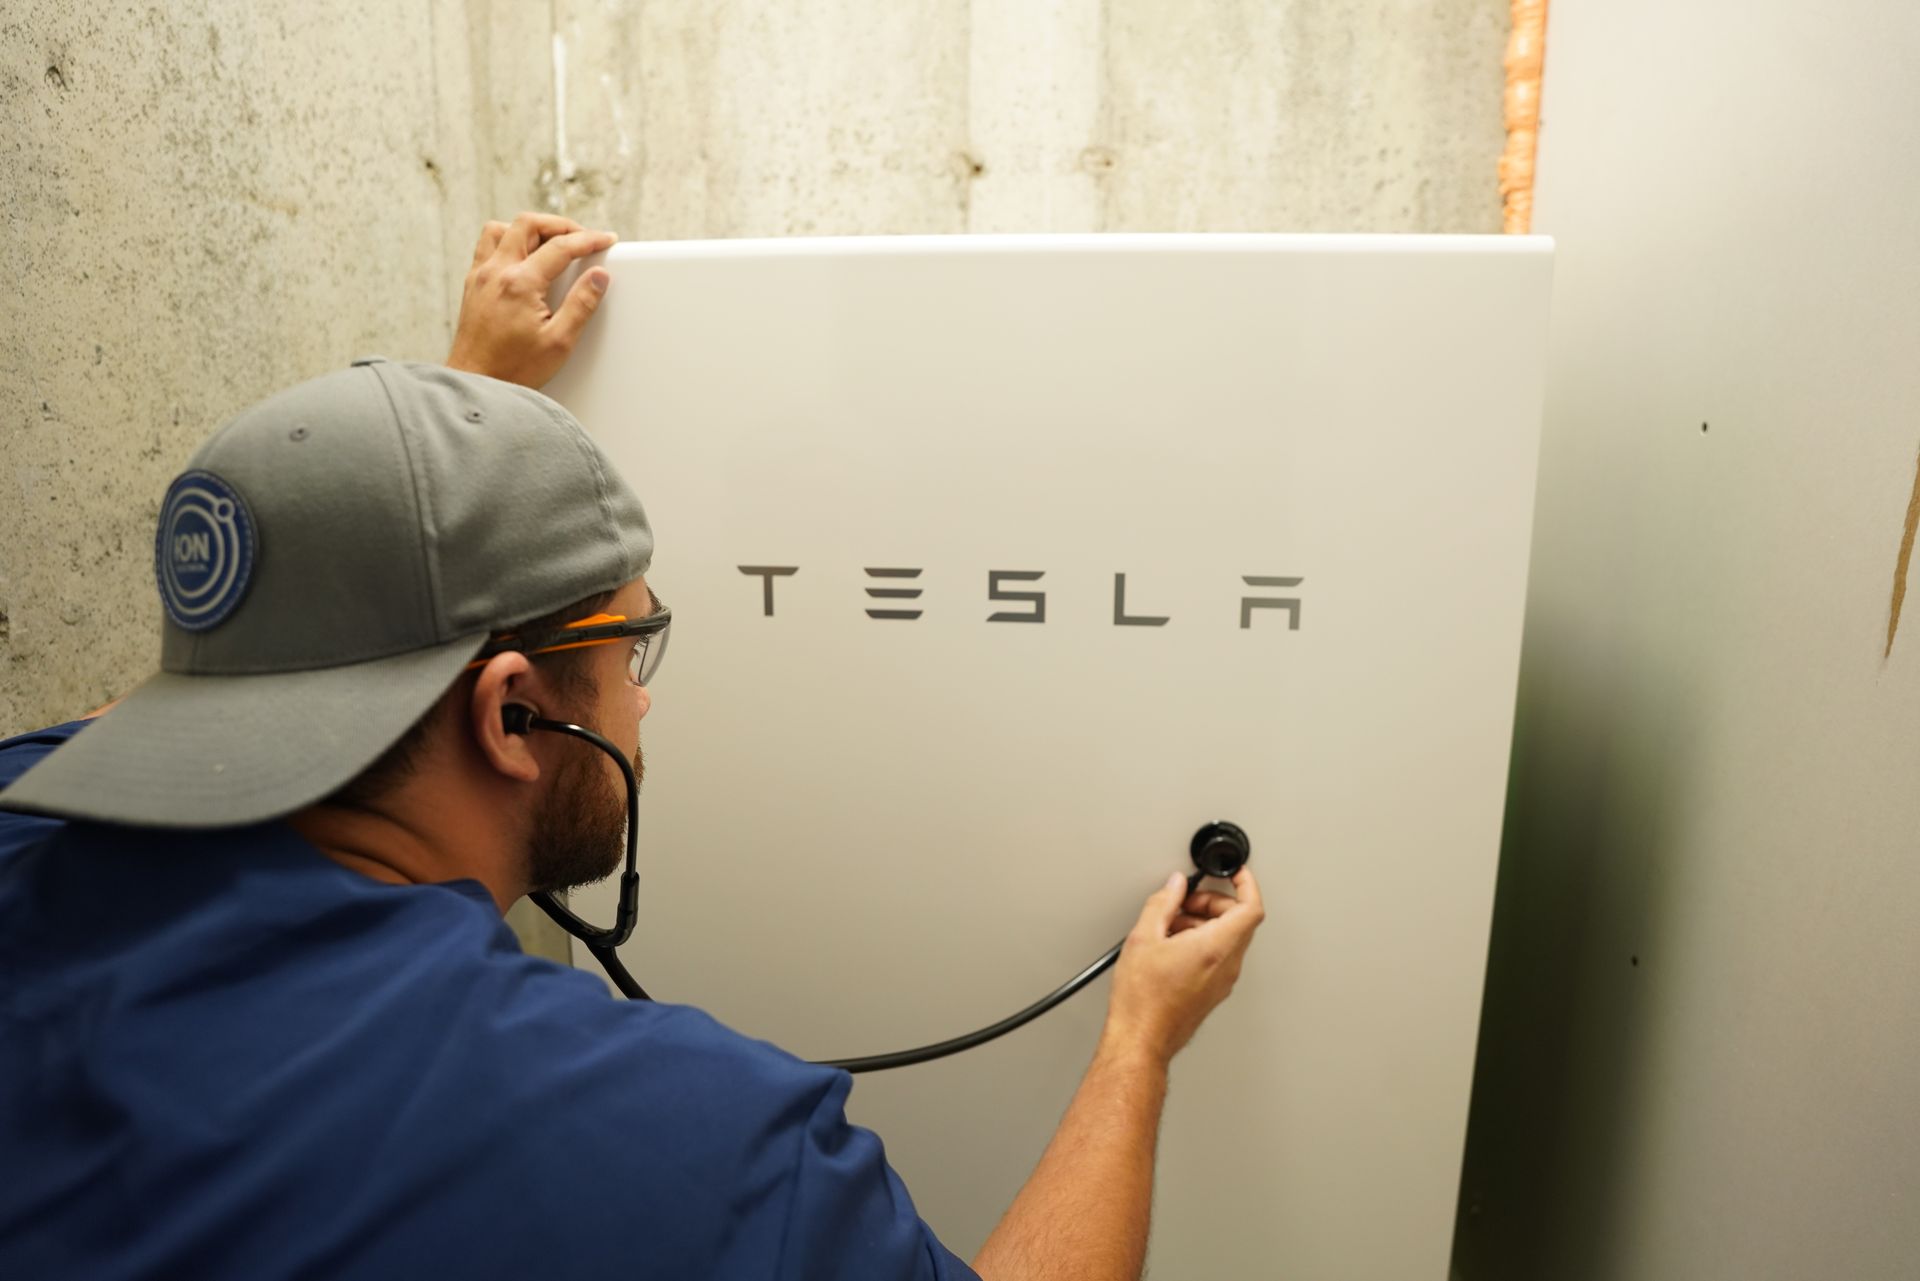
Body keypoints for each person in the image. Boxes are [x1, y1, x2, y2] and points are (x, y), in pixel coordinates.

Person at [0, 214, 1266, 1280]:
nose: (644, 705)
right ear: (511, 714)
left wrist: (452, 434)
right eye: (629, 651)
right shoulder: (694, 1149)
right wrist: (1139, 1043)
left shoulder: (25, 808)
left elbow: (233, 671)